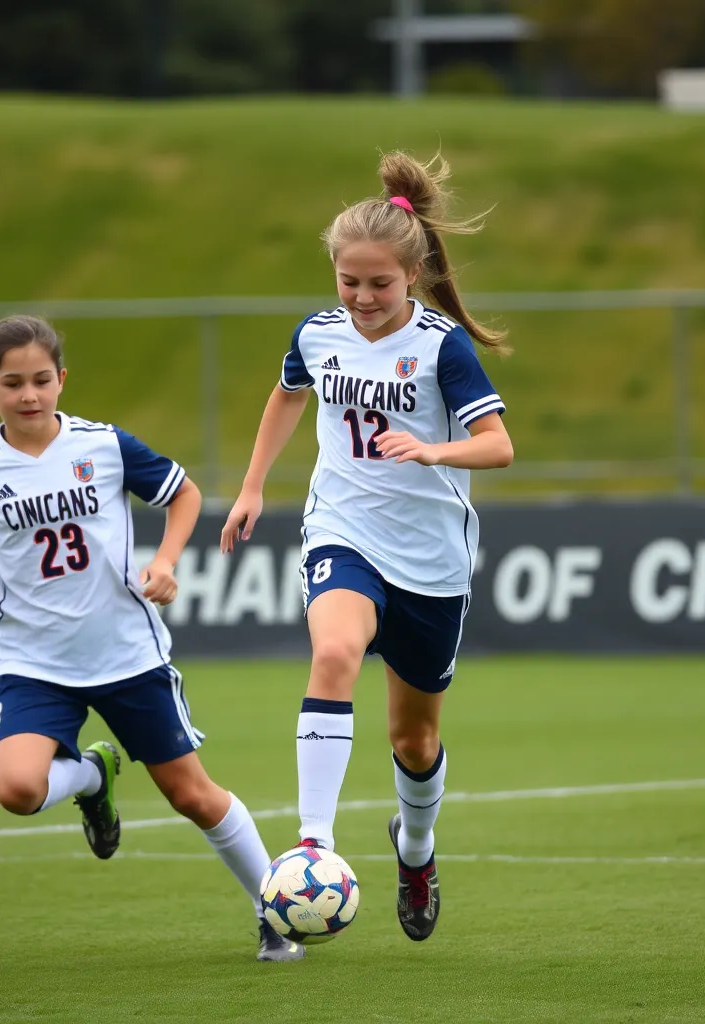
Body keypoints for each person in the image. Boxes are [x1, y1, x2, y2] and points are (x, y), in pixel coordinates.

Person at [0, 315, 303, 963]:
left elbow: (182, 493)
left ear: (62, 379)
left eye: (42, 379)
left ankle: (275, 914)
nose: (30, 394)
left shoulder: (102, 446)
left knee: (192, 795)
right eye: (12, 383)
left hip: (126, 652)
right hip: (32, 662)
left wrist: (165, 562)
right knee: (17, 790)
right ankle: (93, 777)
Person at [220, 152, 514, 943]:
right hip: (343, 532)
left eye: (379, 284)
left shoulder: (443, 347)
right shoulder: (318, 336)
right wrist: (252, 486)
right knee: (334, 655)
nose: (362, 298)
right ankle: (313, 845)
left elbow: (498, 446)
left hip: (432, 561)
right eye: (349, 282)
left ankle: (414, 851)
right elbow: (287, 396)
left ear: (411, 275)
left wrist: (432, 450)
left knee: (413, 740)